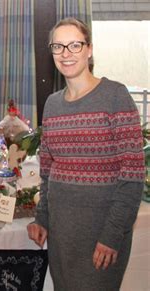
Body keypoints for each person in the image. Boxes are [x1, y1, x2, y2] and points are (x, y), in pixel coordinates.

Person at [27, 18, 145, 290]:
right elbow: (47, 172)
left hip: (101, 237)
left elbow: (133, 175)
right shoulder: (52, 104)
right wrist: (42, 218)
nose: (66, 54)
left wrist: (112, 235)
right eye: (58, 46)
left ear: (89, 50)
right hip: (61, 234)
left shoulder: (115, 96)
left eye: (75, 45)